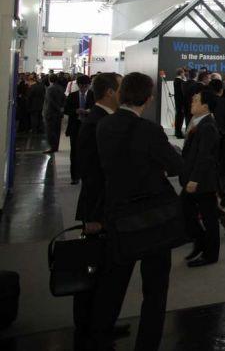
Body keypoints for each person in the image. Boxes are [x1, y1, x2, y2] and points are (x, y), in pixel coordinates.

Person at [91, 72, 183, 351]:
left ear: (121, 95)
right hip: (152, 218)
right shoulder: (149, 130)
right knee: (155, 290)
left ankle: (99, 336)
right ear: (149, 98)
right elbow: (175, 165)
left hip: (118, 214)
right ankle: (147, 344)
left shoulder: (103, 126)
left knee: (113, 284)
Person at [71, 72, 123, 348]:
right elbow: (91, 173)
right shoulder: (97, 123)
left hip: (105, 207)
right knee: (96, 271)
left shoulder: (102, 119)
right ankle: (91, 330)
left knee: (106, 272)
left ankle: (101, 324)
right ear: (110, 92)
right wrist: (92, 217)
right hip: (99, 210)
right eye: (121, 87)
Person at [179, 89, 222, 268]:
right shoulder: (198, 122)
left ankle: (210, 254)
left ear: (205, 106)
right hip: (194, 177)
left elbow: (205, 156)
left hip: (203, 181)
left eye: (196, 100)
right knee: (185, 210)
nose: (192, 102)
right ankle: (200, 241)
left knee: (209, 217)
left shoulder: (207, 126)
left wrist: (195, 179)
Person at [65, 74, 93, 184]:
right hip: (75, 127)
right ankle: (75, 176)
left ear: (89, 85)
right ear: (78, 85)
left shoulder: (93, 95)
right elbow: (66, 110)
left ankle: (87, 174)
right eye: (81, 86)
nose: (83, 88)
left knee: (88, 151)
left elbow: (97, 109)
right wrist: (75, 111)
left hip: (89, 127)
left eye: (86, 86)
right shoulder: (72, 96)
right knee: (75, 152)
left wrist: (89, 111)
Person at [43, 73, 68, 154]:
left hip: (50, 113)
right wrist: (61, 109)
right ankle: (56, 146)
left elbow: (50, 102)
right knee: (57, 131)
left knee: (50, 131)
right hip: (58, 114)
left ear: (49, 80)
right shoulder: (60, 88)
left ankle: (52, 147)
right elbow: (64, 99)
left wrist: (57, 108)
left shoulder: (49, 89)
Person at [172, 67, 187, 139]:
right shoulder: (180, 81)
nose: (184, 74)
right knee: (180, 118)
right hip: (181, 102)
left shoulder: (176, 80)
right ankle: (178, 133)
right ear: (181, 73)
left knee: (178, 117)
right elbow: (183, 92)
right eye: (184, 73)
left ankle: (177, 132)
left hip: (178, 102)